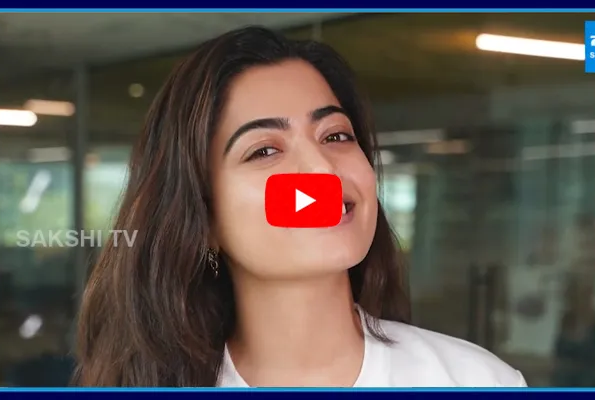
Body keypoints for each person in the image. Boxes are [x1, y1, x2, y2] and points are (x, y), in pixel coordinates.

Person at [73, 26, 527, 388]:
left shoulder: (477, 382)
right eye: (264, 150)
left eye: (336, 136)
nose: (321, 170)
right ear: (203, 218)